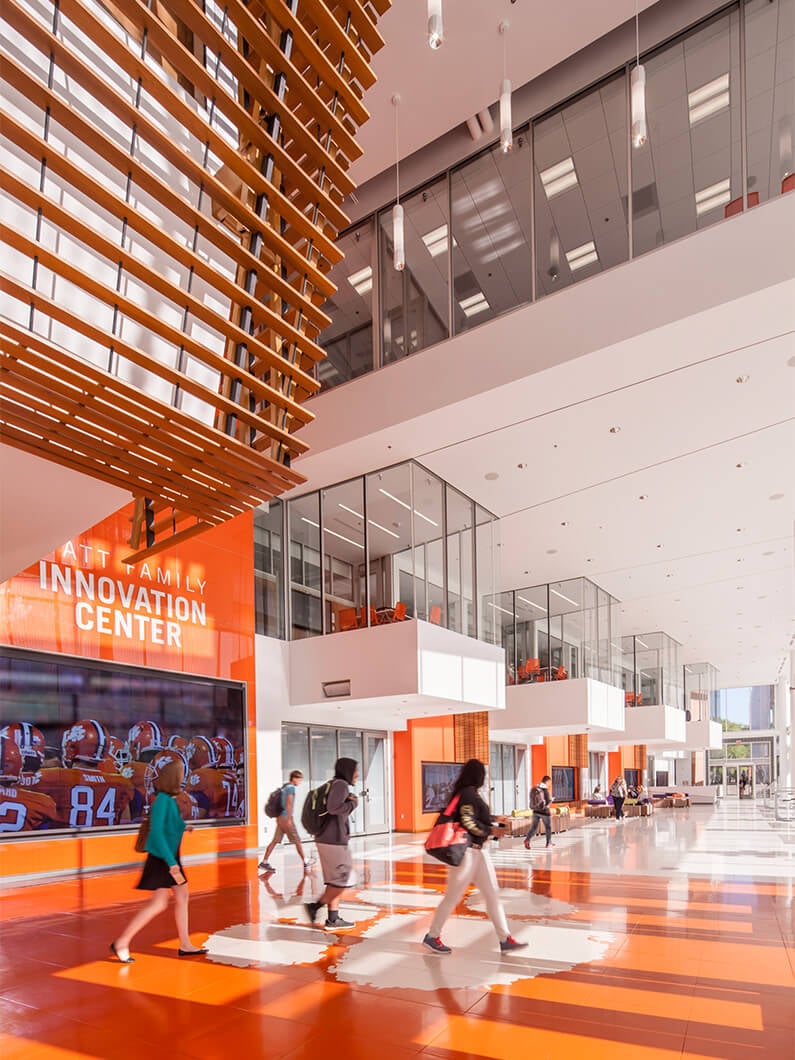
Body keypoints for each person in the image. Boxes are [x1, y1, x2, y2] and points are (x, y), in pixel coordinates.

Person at [422, 759, 526, 955]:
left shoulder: (467, 793)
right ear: (478, 775)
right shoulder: (468, 793)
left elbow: (471, 816)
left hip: (478, 853)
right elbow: (469, 822)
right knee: (452, 896)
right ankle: (432, 936)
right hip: (466, 853)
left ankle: (505, 938)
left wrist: (495, 819)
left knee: (492, 895)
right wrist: (492, 830)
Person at [110, 758, 206, 962]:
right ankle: (122, 942)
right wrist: (172, 864)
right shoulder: (163, 800)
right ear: (173, 778)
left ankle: (185, 944)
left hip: (169, 857)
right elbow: (157, 834)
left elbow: (170, 825)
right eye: (180, 775)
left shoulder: (167, 800)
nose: (183, 779)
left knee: (179, 898)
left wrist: (183, 827)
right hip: (165, 859)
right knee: (161, 903)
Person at [304, 757, 359, 931]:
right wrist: (352, 804)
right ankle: (315, 907)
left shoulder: (334, 784)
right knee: (344, 880)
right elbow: (334, 808)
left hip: (325, 839)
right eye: (355, 771)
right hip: (333, 841)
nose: (357, 775)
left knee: (334, 880)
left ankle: (333, 919)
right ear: (348, 770)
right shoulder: (341, 785)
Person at [258, 769, 312, 873]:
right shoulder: (291, 788)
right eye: (299, 780)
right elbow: (289, 804)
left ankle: (264, 861)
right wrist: (289, 819)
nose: (300, 782)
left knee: (275, 840)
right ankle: (305, 861)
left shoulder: (284, 787)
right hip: (286, 818)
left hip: (280, 817)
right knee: (297, 840)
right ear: (294, 778)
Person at [524, 775, 554, 849]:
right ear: (547, 781)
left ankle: (527, 839)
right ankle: (548, 843)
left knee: (534, 827)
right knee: (548, 827)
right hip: (544, 812)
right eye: (549, 782)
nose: (550, 784)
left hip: (535, 811)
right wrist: (551, 801)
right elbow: (547, 803)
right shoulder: (545, 790)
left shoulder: (536, 788)